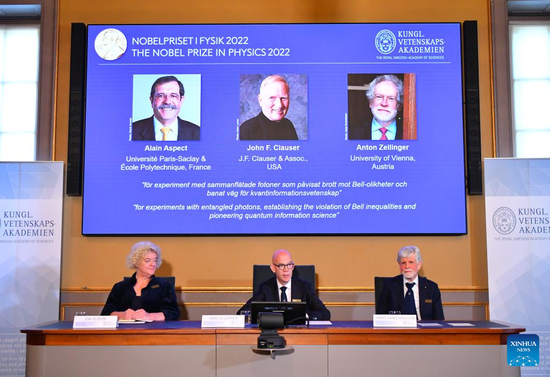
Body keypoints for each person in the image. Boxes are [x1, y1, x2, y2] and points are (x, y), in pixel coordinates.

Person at [237, 249, 330, 320]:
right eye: (281, 266)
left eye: (289, 265)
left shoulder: (304, 287)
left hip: (299, 333)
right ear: (273, 268)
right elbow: (242, 313)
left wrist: (302, 316)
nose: (286, 270)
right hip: (273, 332)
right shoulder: (266, 288)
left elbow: (324, 313)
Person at [101, 241, 180, 321]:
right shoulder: (120, 287)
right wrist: (122, 315)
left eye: (155, 260)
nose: (153, 264)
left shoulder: (164, 286)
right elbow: (106, 313)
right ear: (136, 263)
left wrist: (149, 316)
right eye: (147, 260)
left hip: (155, 332)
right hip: (125, 331)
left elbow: (173, 313)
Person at [377, 245, 444, 320]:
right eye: (403, 263)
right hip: (398, 329)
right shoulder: (389, 286)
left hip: (424, 329)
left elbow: (439, 319)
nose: (407, 266)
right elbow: (381, 318)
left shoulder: (432, 288)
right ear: (399, 265)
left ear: (419, 265)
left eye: (411, 262)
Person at [132, 75, 200, 141]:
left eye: (173, 96)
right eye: (161, 96)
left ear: (181, 101)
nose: (167, 101)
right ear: (151, 100)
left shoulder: (198, 134)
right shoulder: (132, 132)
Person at [239, 75, 299, 140]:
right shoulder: (247, 129)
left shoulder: (288, 125)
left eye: (283, 98)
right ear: (260, 100)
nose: (279, 105)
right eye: (272, 98)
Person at [350, 74, 404, 140]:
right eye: (379, 97)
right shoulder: (353, 133)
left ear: (398, 105)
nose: (384, 103)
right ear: (370, 102)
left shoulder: (409, 133)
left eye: (391, 98)